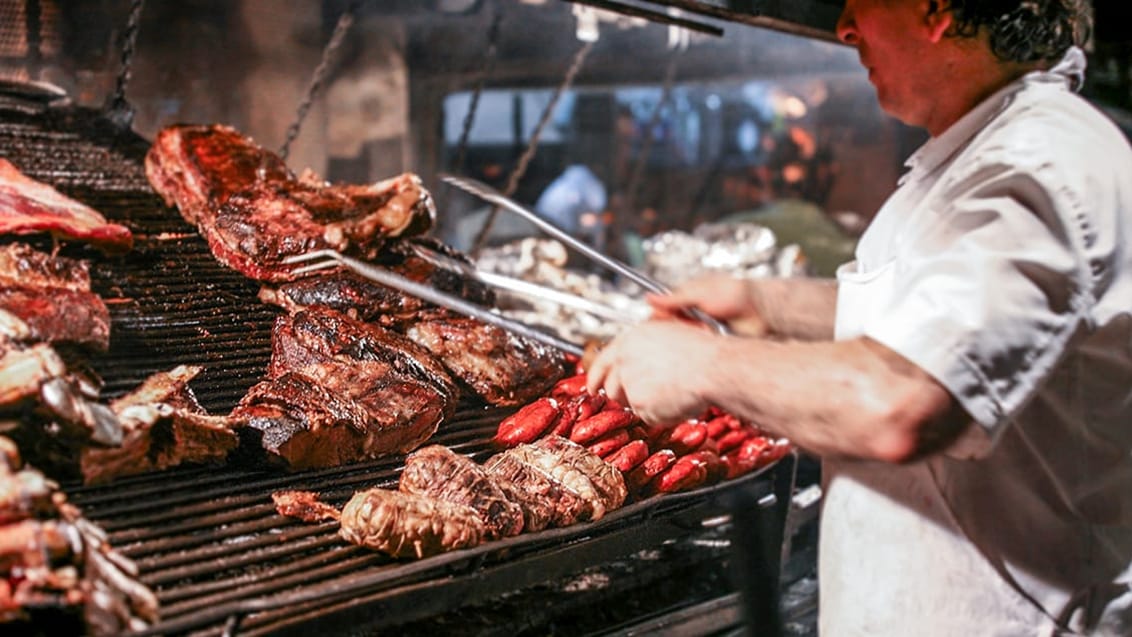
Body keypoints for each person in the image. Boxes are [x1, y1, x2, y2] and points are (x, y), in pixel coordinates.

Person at [586, 1, 1132, 634]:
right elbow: (928, 318)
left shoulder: (1034, 165)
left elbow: (904, 400)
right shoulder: (988, 151)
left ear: (934, 10)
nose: (844, 27)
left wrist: (702, 362)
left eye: (860, 3)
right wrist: (764, 303)